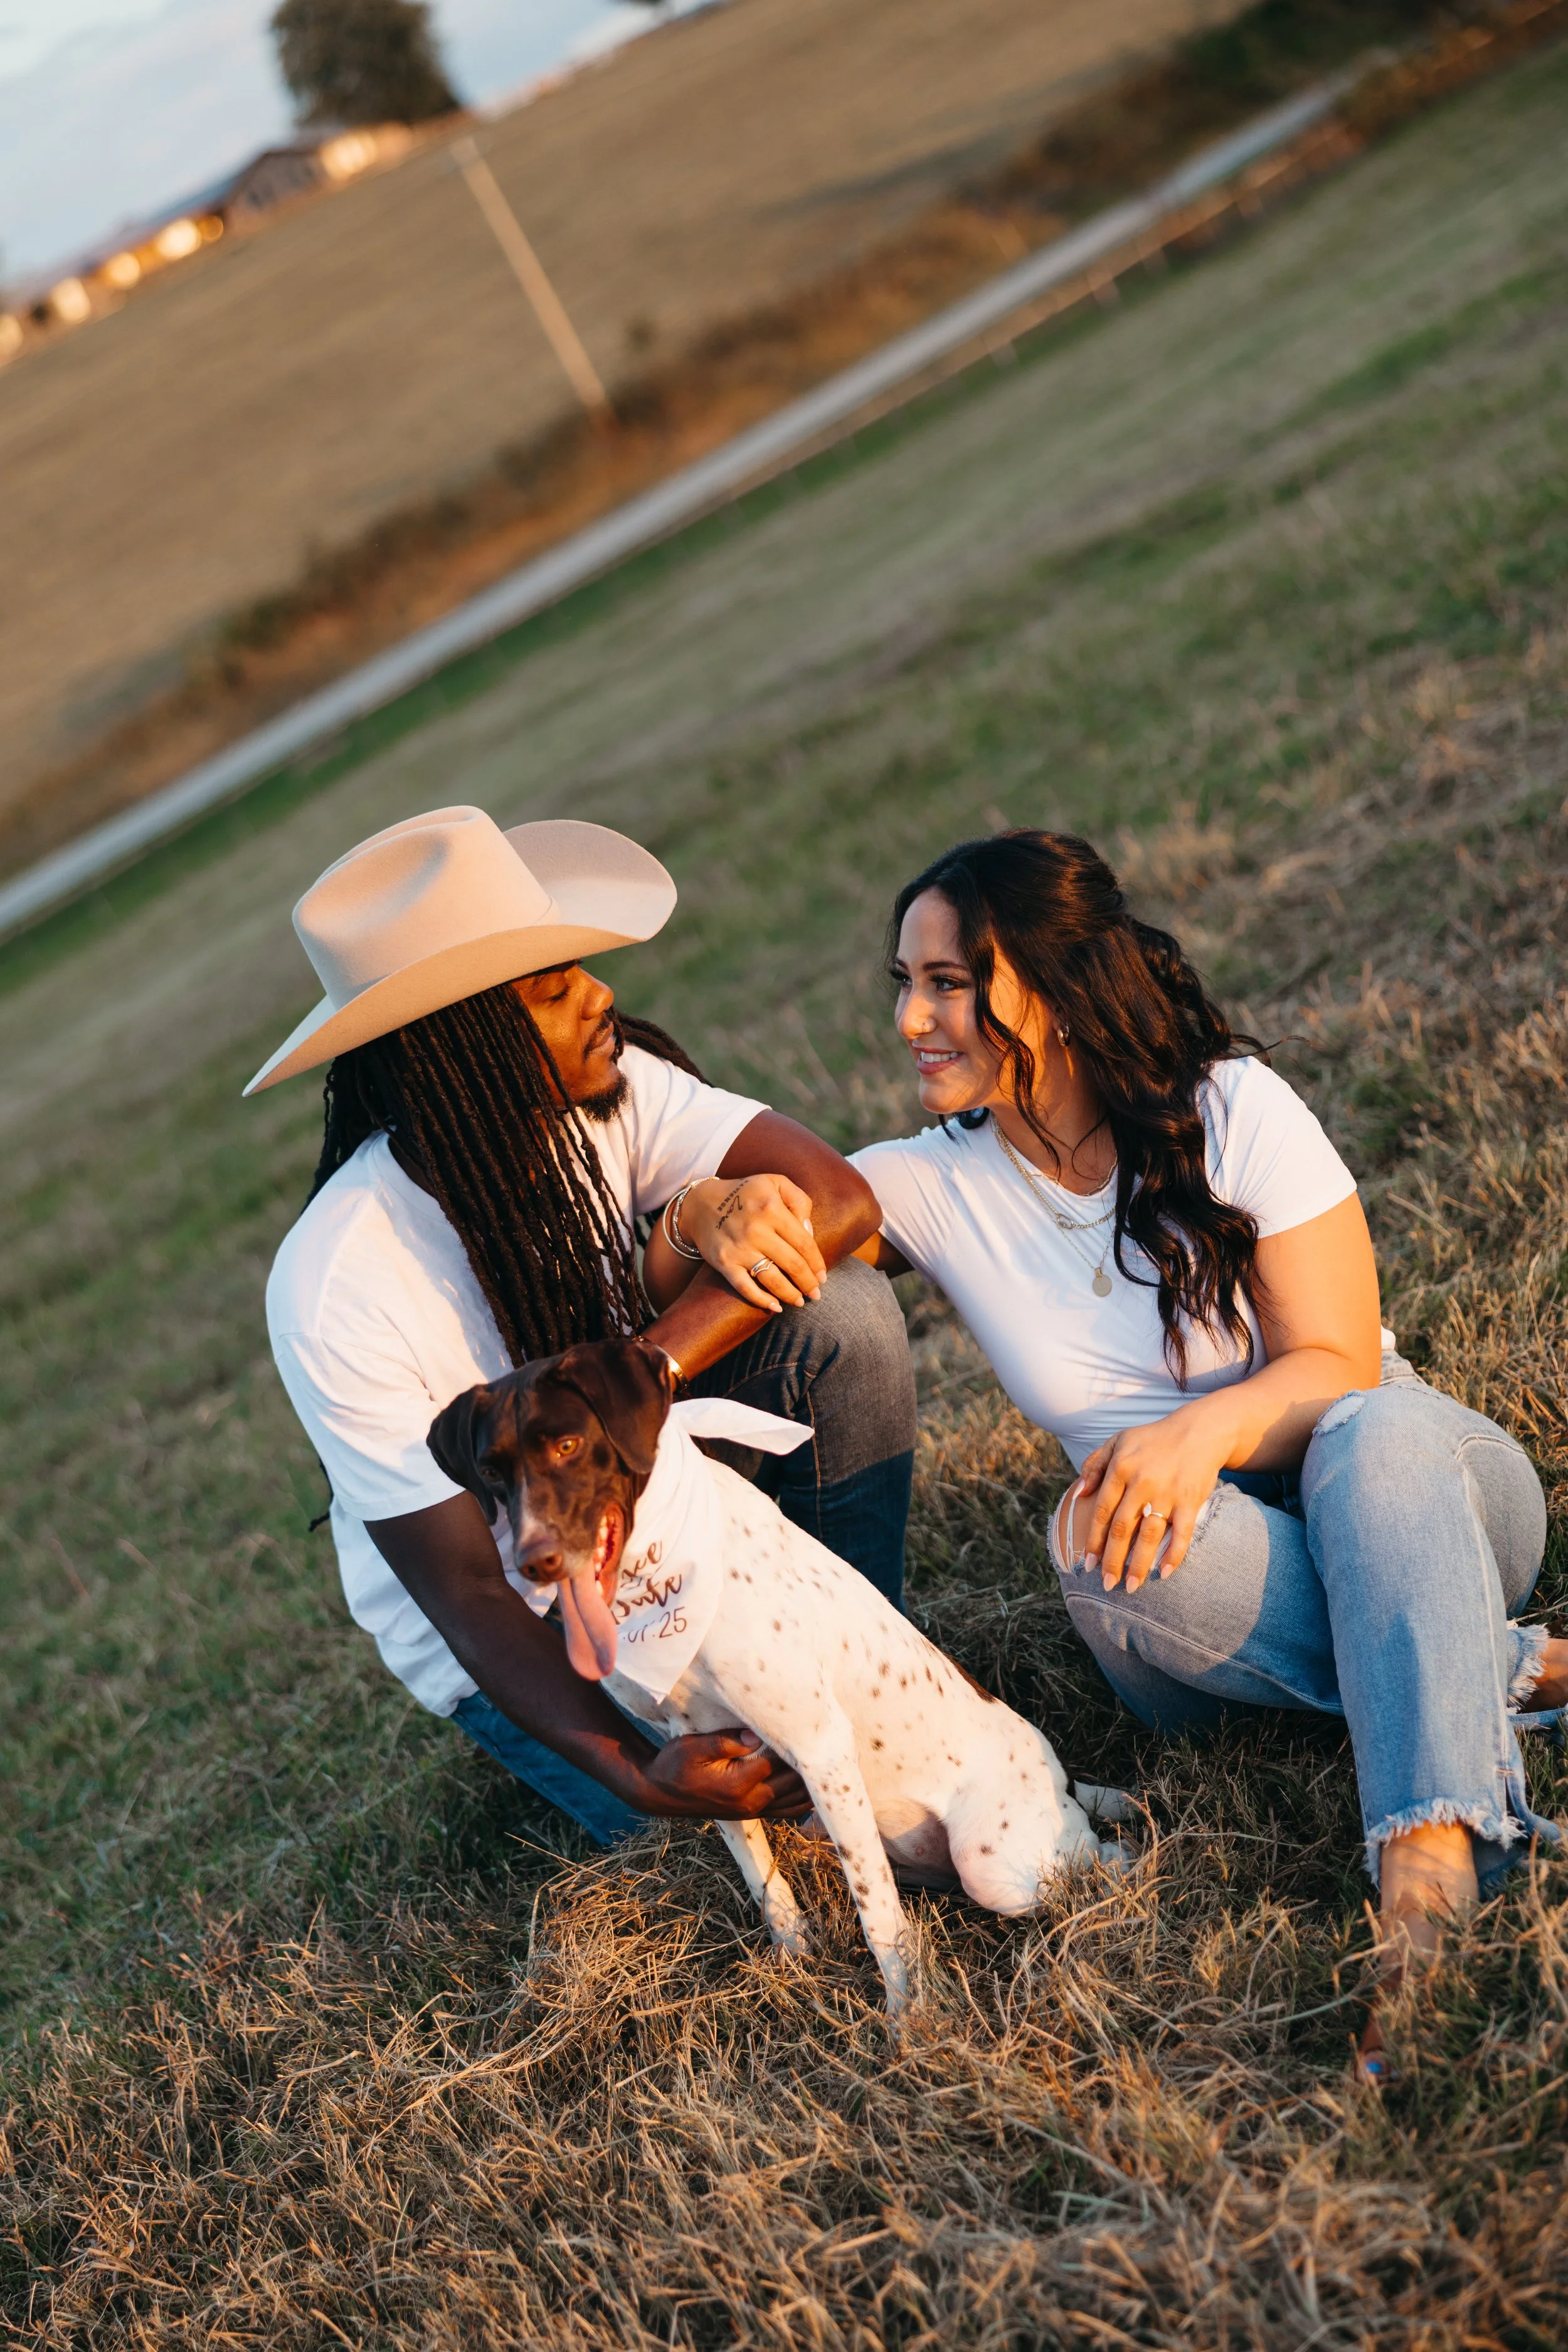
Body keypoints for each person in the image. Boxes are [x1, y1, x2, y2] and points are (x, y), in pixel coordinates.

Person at [850, 827, 1565, 2075]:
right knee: (1091, 1536)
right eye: (902, 984)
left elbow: (1336, 1362)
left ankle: (1424, 1894)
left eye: (948, 982)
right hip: (1198, 1595)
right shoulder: (928, 1183)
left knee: (1366, 1428)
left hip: (1421, 1498)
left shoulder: (1227, 1106)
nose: (912, 1016)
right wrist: (709, 1205)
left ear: (1056, 987)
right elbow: (754, 1214)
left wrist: (1201, 1431)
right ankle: (1487, 1666)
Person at [253, 805, 916, 1848]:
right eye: (556, 989)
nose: (603, 994)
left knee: (842, 1311)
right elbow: (469, 1585)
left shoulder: (615, 1093)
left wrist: (652, 1363)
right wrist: (641, 1773)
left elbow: (839, 1201)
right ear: (459, 1048)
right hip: (529, 1607)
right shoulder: (335, 1281)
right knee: (706, 1858)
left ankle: (853, 1680)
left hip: (655, 1491)